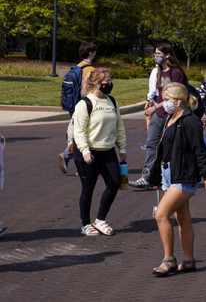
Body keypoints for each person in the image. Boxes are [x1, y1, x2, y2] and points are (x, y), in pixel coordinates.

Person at [152, 83, 206, 276]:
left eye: (167, 100)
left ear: (178, 101)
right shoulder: (172, 118)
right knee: (183, 219)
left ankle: (169, 259)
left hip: (184, 176)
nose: (164, 104)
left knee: (161, 215)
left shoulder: (190, 121)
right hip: (169, 174)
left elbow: (200, 149)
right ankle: (189, 260)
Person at [72, 68, 126, 236]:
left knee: (114, 183)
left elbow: (119, 126)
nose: (109, 85)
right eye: (106, 82)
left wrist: (122, 148)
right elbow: (79, 131)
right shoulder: (85, 104)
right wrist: (85, 151)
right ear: (96, 83)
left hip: (108, 150)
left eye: (110, 81)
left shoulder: (112, 101)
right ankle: (85, 223)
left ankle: (100, 219)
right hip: (88, 152)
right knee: (88, 187)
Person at [130, 43, 185, 189]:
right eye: (155, 53)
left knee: (167, 148)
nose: (156, 56)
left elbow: (176, 97)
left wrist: (156, 107)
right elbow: (159, 94)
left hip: (170, 115)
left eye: (159, 54)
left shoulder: (176, 72)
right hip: (159, 114)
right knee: (151, 145)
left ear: (167, 55)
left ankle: (168, 179)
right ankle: (147, 177)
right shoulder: (160, 70)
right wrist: (151, 102)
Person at [59, 42, 97, 175]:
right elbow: (90, 91)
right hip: (84, 105)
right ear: (91, 53)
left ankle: (70, 158)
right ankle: (72, 159)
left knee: (78, 133)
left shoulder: (76, 68)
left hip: (73, 105)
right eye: (94, 52)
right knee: (84, 135)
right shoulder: (90, 70)